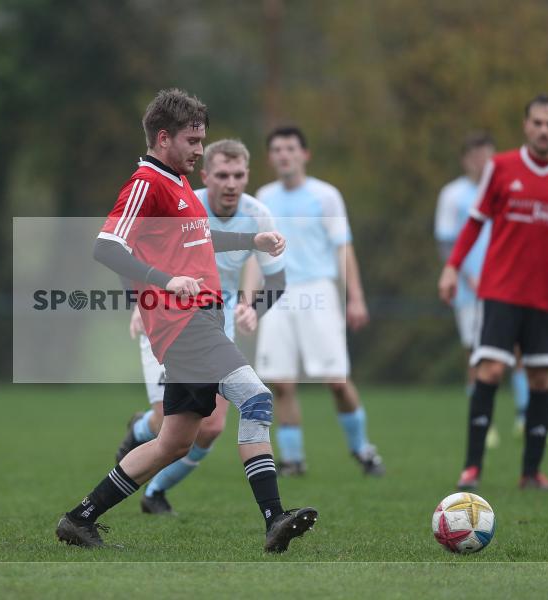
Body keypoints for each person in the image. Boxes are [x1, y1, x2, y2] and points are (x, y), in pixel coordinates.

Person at [55, 89, 317, 553]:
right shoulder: (147, 182)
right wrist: (164, 280)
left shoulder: (176, 183)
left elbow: (199, 242)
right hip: (183, 323)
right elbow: (106, 246)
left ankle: (80, 518)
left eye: (202, 140)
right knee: (256, 398)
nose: (200, 150)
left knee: (172, 443)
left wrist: (250, 240)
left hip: (203, 321)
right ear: (163, 138)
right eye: (193, 141)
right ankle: (275, 518)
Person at [439, 94, 548, 492]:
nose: (544, 130)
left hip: (544, 297)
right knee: (490, 370)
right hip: (500, 291)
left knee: (541, 379)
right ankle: (472, 469)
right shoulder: (501, 168)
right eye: (537, 123)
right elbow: (475, 223)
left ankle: (531, 473)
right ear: (526, 126)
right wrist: (452, 267)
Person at [114, 138, 286, 515]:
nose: (230, 183)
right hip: (167, 318)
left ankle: (153, 493)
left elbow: (277, 281)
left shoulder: (258, 214)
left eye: (238, 175)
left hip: (215, 325)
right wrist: (138, 304)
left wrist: (254, 309)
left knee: (208, 429)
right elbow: (128, 247)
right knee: (166, 425)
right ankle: (141, 430)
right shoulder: (184, 202)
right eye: (222, 175)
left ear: (247, 176)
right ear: (206, 175)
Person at [252, 126, 383, 477]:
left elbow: (344, 247)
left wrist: (355, 297)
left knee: (336, 380)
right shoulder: (263, 197)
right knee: (280, 382)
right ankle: (293, 460)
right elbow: (257, 253)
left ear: (304, 154)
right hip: (277, 293)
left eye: (290, 148)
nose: (284, 155)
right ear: (270, 157)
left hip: (319, 290)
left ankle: (363, 450)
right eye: (277, 149)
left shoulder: (326, 196)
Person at [435, 132, 531, 446]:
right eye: (475, 155)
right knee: (476, 355)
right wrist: (462, 275)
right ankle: (482, 421)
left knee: (517, 350)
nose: (481, 162)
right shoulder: (452, 194)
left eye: (487, 155)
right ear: (465, 160)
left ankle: (524, 415)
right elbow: (446, 242)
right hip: (470, 290)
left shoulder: (508, 188)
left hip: (508, 285)